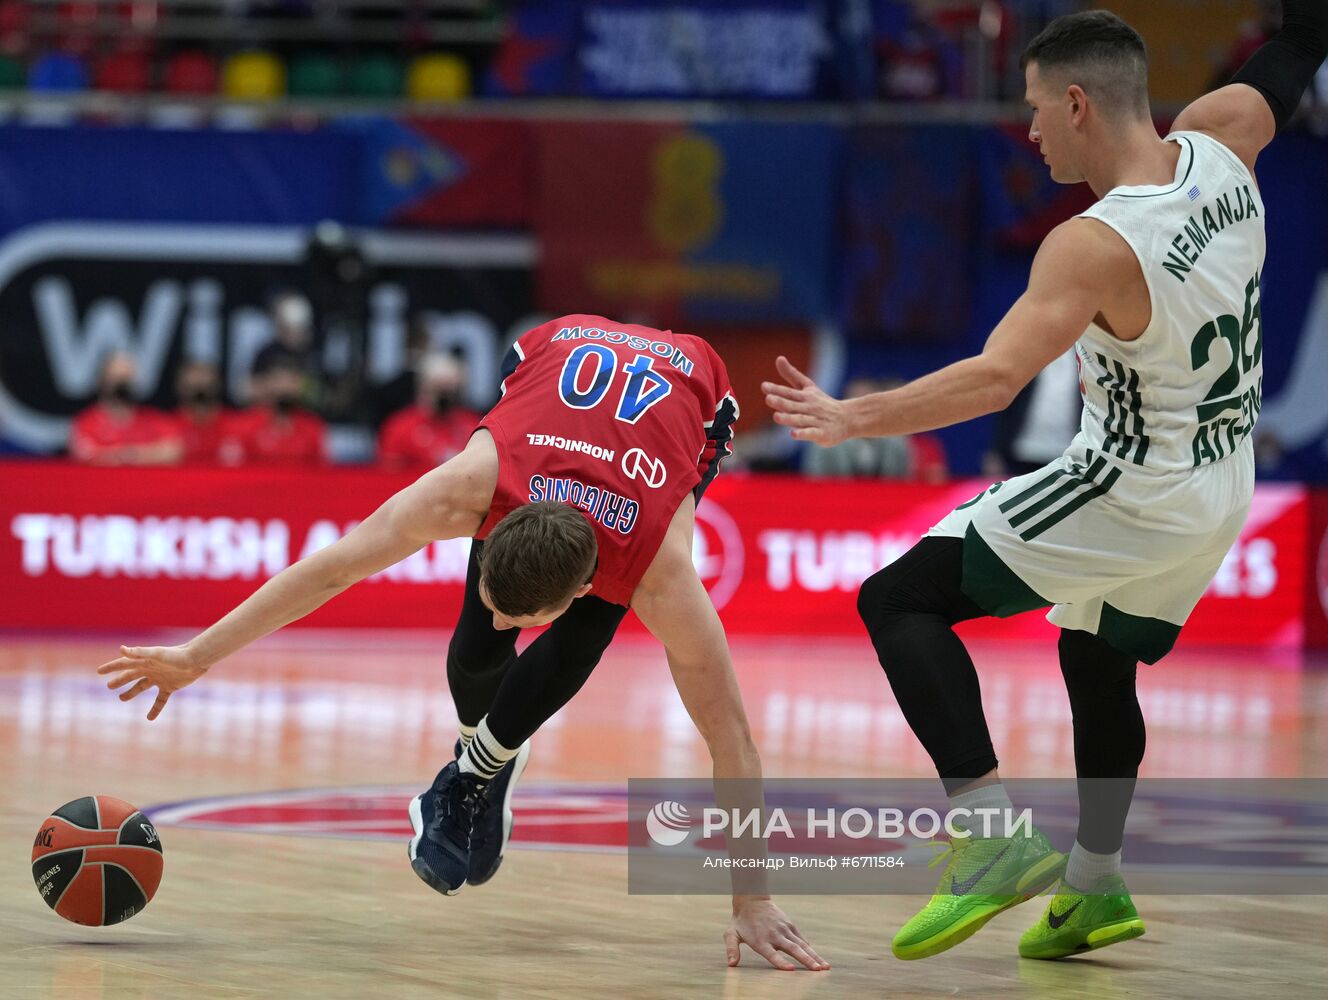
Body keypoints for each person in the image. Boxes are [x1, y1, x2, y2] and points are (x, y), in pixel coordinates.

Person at [763, 4, 1325, 963]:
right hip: (1223, 482)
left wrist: (853, 417)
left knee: (896, 600)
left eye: (1032, 108)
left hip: (1131, 481)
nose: (1026, 130)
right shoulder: (1226, 141)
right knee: (1095, 661)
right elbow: (1298, 46)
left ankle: (988, 843)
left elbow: (992, 380)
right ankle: (1094, 888)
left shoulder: (1094, 242)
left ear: (1077, 104)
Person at [97, 314, 828, 973]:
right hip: (554, 355)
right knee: (477, 655)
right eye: (494, 596)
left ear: (574, 589)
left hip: (684, 399)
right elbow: (332, 569)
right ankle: (487, 760)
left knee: (577, 647)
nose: (511, 625)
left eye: (525, 615)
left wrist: (751, 900)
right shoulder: (471, 484)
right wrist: (196, 656)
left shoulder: (657, 567)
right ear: (489, 530)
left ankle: (476, 768)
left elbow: (731, 739)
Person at [69, 353, 183, 466]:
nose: (122, 384)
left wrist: (132, 455)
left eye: (127, 378)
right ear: (102, 380)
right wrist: (136, 455)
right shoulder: (86, 422)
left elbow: (174, 450)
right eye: (116, 378)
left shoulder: (152, 419)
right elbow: (84, 454)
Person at [377, 353, 480, 472]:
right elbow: (388, 476)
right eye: (439, 389)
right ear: (423, 386)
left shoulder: (473, 426)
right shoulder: (400, 428)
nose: (445, 396)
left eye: (451, 390)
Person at [231, 361, 328, 468]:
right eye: (279, 380)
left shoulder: (313, 427)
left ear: (299, 386)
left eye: (291, 381)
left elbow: (322, 471)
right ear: (267, 384)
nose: (284, 387)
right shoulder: (246, 424)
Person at [173, 360, 245, 466]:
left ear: (217, 384)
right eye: (195, 373)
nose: (200, 379)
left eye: (203, 373)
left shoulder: (238, 426)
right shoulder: (166, 428)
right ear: (181, 387)